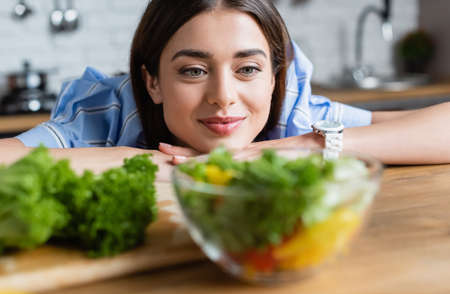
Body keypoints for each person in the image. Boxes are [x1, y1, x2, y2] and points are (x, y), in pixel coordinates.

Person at [0, 0, 449, 181]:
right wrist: (153, 162)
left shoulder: (292, 113)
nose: (224, 96)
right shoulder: (105, 112)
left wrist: (310, 145)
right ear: (152, 82)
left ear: (275, 78)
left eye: (248, 68)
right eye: (194, 71)